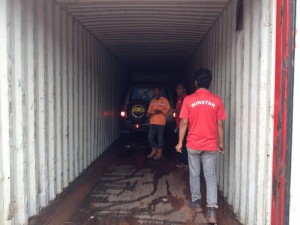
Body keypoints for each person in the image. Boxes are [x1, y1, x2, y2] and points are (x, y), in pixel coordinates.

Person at [175, 68, 226, 224]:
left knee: (195, 174)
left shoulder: (188, 100)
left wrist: (179, 142)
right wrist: (221, 143)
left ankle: (197, 203)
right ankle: (211, 212)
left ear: (196, 83)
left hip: (193, 144)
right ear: (209, 83)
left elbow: (183, 122)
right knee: (210, 176)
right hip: (211, 145)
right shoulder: (217, 100)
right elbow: (220, 124)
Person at [147, 87, 171, 160]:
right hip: (152, 121)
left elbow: (168, 110)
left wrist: (161, 111)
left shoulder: (165, 100)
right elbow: (149, 111)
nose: (156, 93)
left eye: (157, 91)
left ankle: (159, 153)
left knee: (160, 139)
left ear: (160, 92)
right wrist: (148, 114)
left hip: (161, 122)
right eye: (154, 91)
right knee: (150, 137)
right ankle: (154, 150)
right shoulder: (152, 101)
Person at [173, 84, 188, 167]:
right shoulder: (179, 99)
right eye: (177, 89)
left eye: (180, 89)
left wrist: (173, 110)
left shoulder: (185, 98)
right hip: (179, 125)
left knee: (183, 143)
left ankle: (184, 162)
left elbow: (183, 110)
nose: (178, 90)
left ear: (184, 89)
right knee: (181, 142)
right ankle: (181, 160)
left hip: (184, 126)